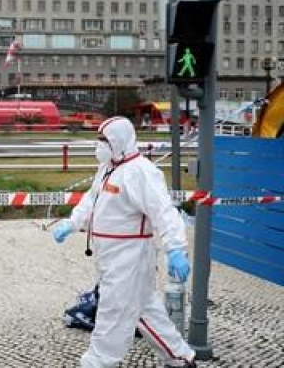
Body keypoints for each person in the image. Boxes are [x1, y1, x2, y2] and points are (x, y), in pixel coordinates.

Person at [52, 116, 196, 368]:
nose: (99, 145)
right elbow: (91, 199)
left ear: (119, 142)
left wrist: (175, 249)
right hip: (111, 255)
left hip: (130, 256)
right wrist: (73, 222)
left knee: (113, 312)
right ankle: (180, 358)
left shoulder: (142, 172)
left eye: (104, 140)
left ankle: (97, 362)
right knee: (144, 309)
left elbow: (164, 212)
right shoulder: (109, 167)